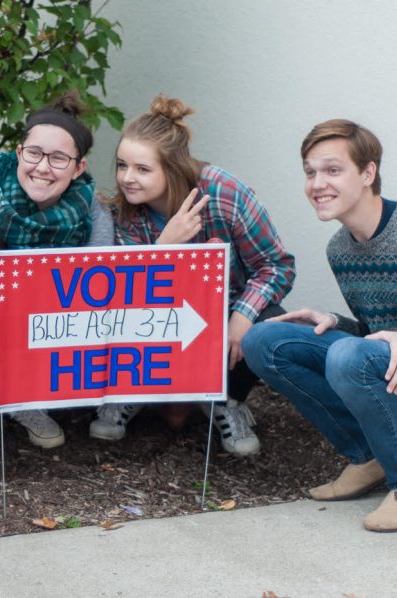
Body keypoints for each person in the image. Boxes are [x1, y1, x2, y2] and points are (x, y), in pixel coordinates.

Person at [242, 119, 397, 532]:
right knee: (265, 338)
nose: (317, 183)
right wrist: (339, 323)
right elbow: (375, 334)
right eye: (310, 172)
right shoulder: (341, 249)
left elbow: (394, 341)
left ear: (368, 173)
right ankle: (368, 456)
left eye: (333, 170)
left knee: (350, 354)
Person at [93, 95, 296, 456]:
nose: (127, 178)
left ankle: (228, 401)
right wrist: (163, 248)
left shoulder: (224, 194)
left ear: (171, 168)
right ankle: (134, 391)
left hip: (223, 311)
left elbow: (277, 266)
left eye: (142, 169)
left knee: (268, 323)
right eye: (122, 165)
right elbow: (124, 294)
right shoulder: (123, 211)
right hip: (157, 317)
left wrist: (242, 316)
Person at [0, 91, 114, 456]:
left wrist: (12, 288)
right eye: (34, 153)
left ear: (79, 168)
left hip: (42, 307)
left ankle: (21, 395)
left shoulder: (90, 209)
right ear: (19, 153)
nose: (43, 167)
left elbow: (100, 280)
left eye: (59, 158)